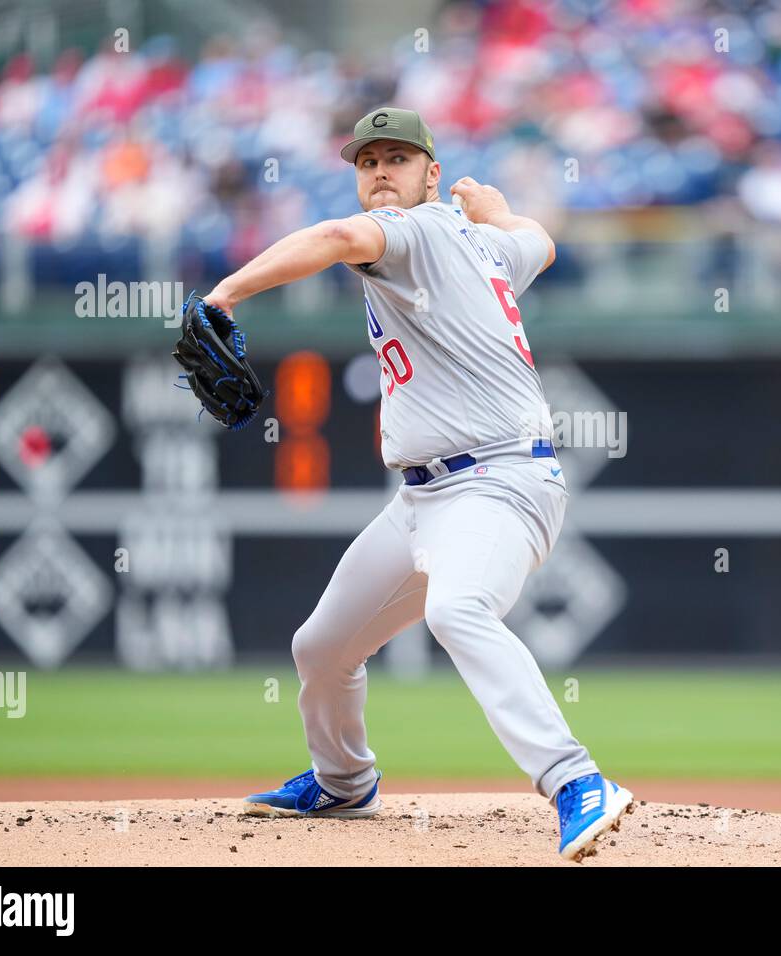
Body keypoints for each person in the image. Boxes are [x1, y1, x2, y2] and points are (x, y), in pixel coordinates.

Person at [209, 107, 632, 861]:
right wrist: (499, 210)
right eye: (367, 160)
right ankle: (342, 781)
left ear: (430, 175)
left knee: (459, 610)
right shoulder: (485, 245)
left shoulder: (419, 229)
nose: (379, 172)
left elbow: (339, 239)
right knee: (322, 647)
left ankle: (577, 780)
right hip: (424, 500)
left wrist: (225, 295)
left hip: (500, 483)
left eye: (397, 158)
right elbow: (538, 239)